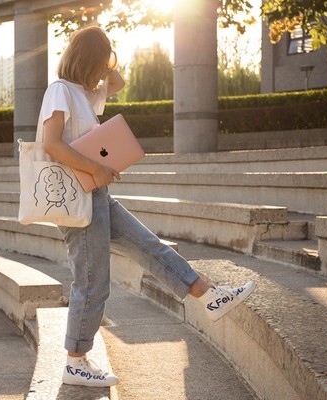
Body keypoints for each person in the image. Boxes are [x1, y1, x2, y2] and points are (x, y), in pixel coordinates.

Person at [37, 25, 256, 388]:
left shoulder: (86, 93)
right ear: (90, 58)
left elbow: (118, 82)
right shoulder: (60, 91)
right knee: (93, 281)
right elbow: (51, 144)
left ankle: (209, 295)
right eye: (103, 58)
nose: (107, 68)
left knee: (148, 246)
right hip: (78, 196)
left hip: (96, 193)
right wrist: (97, 167)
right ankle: (75, 361)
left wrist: (108, 55)